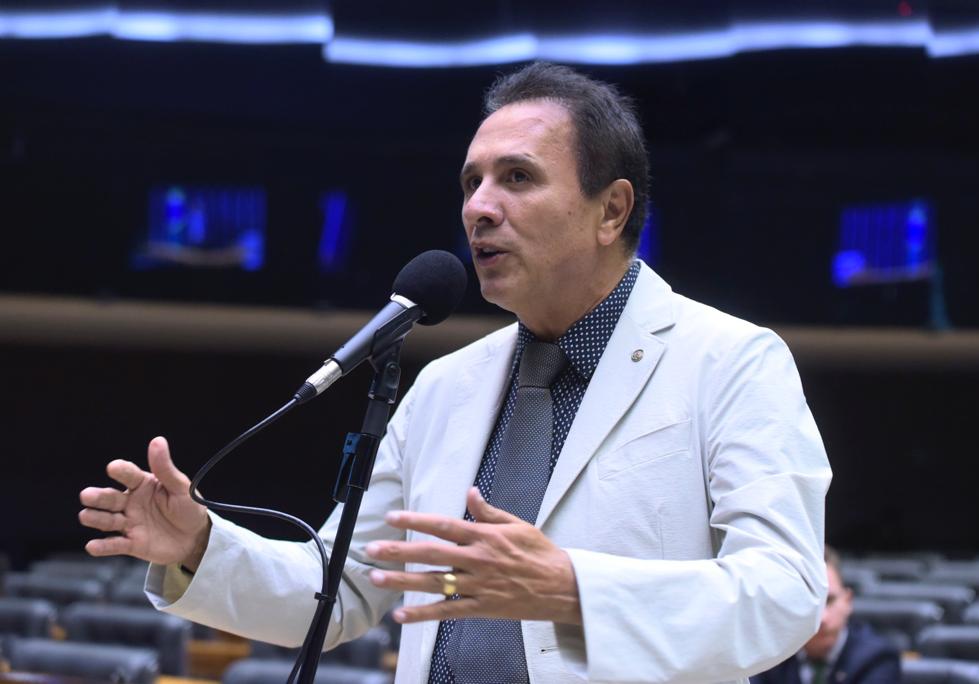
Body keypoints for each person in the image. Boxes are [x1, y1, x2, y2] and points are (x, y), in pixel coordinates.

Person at [80, 62, 832, 683]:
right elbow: (342, 588)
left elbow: (785, 593)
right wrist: (200, 546)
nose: (480, 208)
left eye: (517, 177)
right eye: (472, 183)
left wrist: (573, 589)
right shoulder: (444, 385)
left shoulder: (730, 361)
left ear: (612, 211)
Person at [751, 547, 901, 684]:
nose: (822, 618)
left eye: (829, 601)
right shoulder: (768, 657)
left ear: (848, 601)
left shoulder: (878, 657)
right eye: (809, 603)